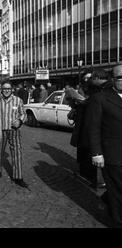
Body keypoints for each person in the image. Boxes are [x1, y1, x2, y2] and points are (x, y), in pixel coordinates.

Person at [86, 64, 122, 227]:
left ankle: (106, 201)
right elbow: (93, 127)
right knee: (118, 191)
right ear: (113, 79)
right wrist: (97, 153)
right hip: (113, 153)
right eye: (120, 78)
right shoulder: (100, 98)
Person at [71, 69, 109, 189]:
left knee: (93, 152)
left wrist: (84, 102)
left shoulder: (101, 90)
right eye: (86, 78)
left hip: (92, 126)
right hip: (83, 124)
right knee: (84, 152)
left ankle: (97, 179)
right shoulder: (89, 88)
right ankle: (87, 174)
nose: (88, 80)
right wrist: (75, 104)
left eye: (90, 78)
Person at [0, 82, 28, 188]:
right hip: (0, 129)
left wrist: (20, 121)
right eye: (4, 89)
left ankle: (18, 177)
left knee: (17, 151)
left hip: (14, 129)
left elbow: (23, 113)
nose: (6, 90)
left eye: (8, 89)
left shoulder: (18, 100)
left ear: (12, 89)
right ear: (1, 89)